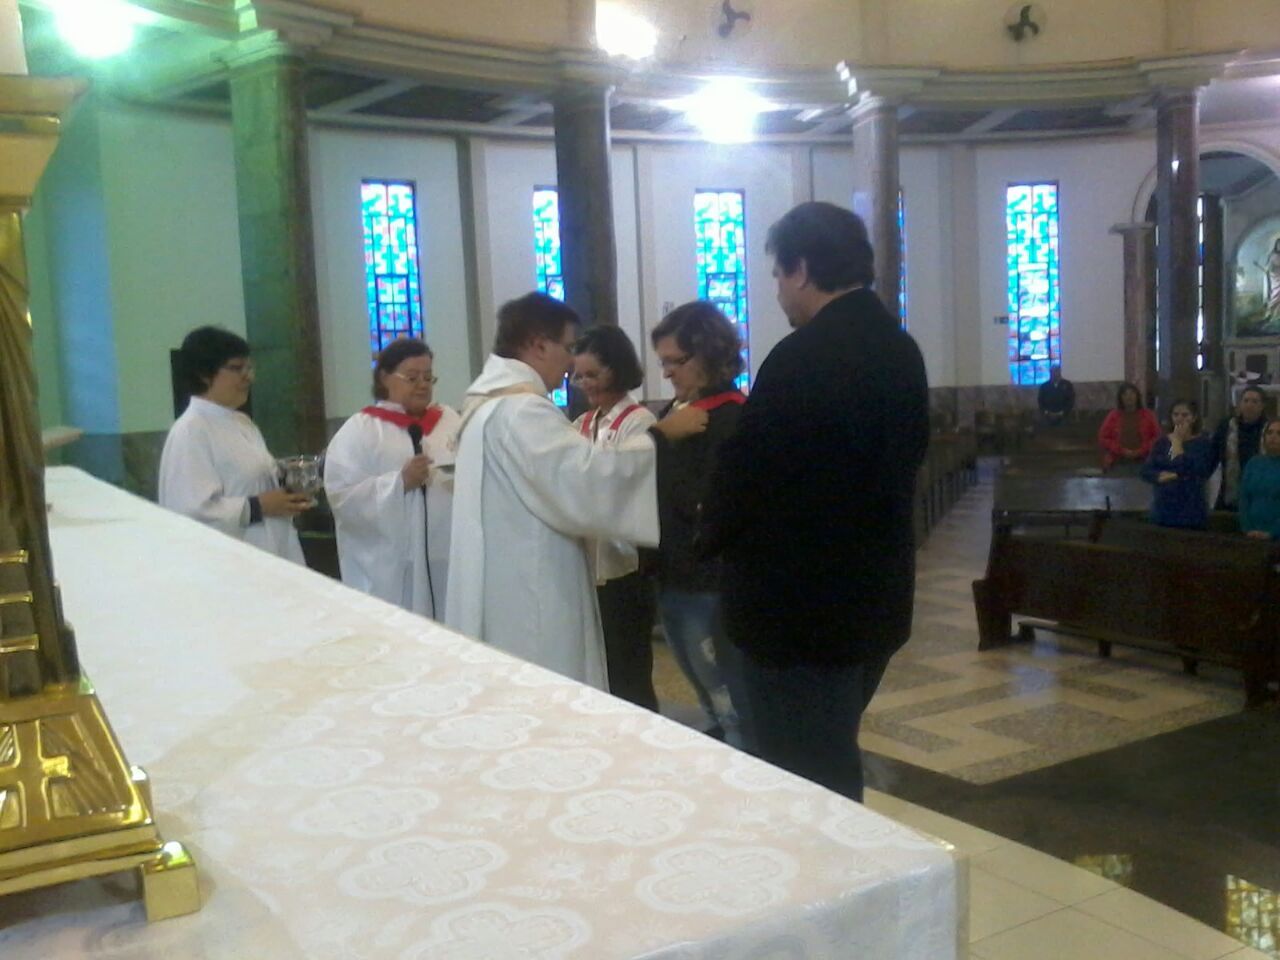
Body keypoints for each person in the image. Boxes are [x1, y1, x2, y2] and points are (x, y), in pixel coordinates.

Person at [700, 202, 929, 801]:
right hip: (872, 601)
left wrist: (706, 538)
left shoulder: (802, 357)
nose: (777, 290)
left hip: (798, 615)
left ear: (801, 269)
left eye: (778, 274)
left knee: (807, 779)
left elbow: (747, 476)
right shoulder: (901, 350)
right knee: (829, 749)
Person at [445, 293, 706, 688]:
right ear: (538, 345)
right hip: (534, 592)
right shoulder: (522, 411)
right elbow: (587, 479)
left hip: (506, 586)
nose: (571, 363)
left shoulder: (485, 408)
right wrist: (659, 438)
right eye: (567, 348)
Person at [650, 301, 748, 746]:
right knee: (702, 686)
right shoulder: (677, 412)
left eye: (676, 361)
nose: (668, 372)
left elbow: (707, 501)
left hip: (708, 577)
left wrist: (659, 449)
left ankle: (744, 762)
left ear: (709, 352)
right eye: (663, 362)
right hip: (673, 571)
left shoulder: (731, 416)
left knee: (726, 691)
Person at [324, 338, 460, 618]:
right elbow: (342, 497)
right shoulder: (361, 430)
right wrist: (399, 484)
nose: (422, 385)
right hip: (395, 568)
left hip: (448, 558)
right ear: (385, 378)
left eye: (428, 377)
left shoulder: (450, 421)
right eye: (412, 377)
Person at [159, 326, 309, 561]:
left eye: (249, 368)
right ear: (204, 373)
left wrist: (289, 481)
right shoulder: (191, 430)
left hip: (272, 548)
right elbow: (191, 512)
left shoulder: (243, 423)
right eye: (237, 368)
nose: (249, 377)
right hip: (229, 559)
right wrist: (258, 507)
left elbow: (251, 480)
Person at [570, 326, 659, 710]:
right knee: (599, 666)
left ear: (618, 369)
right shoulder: (583, 423)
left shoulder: (639, 422)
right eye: (579, 376)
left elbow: (627, 483)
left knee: (628, 669)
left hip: (625, 564)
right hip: (588, 562)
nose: (585, 384)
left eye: (593, 374)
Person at [1141, 399, 1213, 530]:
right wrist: (1159, 475)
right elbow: (1146, 469)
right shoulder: (1162, 442)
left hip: (1191, 508)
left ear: (1194, 418)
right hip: (1164, 507)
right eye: (1176, 415)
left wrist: (1178, 443)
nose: (1180, 419)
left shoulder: (1203, 443)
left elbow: (1196, 470)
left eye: (1185, 415)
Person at [1208, 385, 1267, 510]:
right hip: (1230, 493)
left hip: (1263, 494)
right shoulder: (1226, 427)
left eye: (1254, 401)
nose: (1249, 405)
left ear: (1262, 406)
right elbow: (1211, 457)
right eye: (1246, 400)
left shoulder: (1270, 430)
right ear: (1240, 404)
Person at [1097, 382, 1161, 472]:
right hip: (1118, 461)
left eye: (1132, 393)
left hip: (1144, 460)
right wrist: (1121, 450)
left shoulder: (1148, 415)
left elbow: (1157, 437)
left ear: (1137, 396)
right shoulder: (1113, 416)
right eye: (1125, 394)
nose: (1129, 397)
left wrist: (1141, 450)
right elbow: (1103, 438)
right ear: (1120, 398)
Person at [1239, 420, 1280, 540]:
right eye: (1270, 432)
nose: (1273, 437)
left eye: (1279, 433)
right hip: (1252, 534)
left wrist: (1272, 533)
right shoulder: (1253, 463)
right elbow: (1244, 498)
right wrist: (1248, 528)